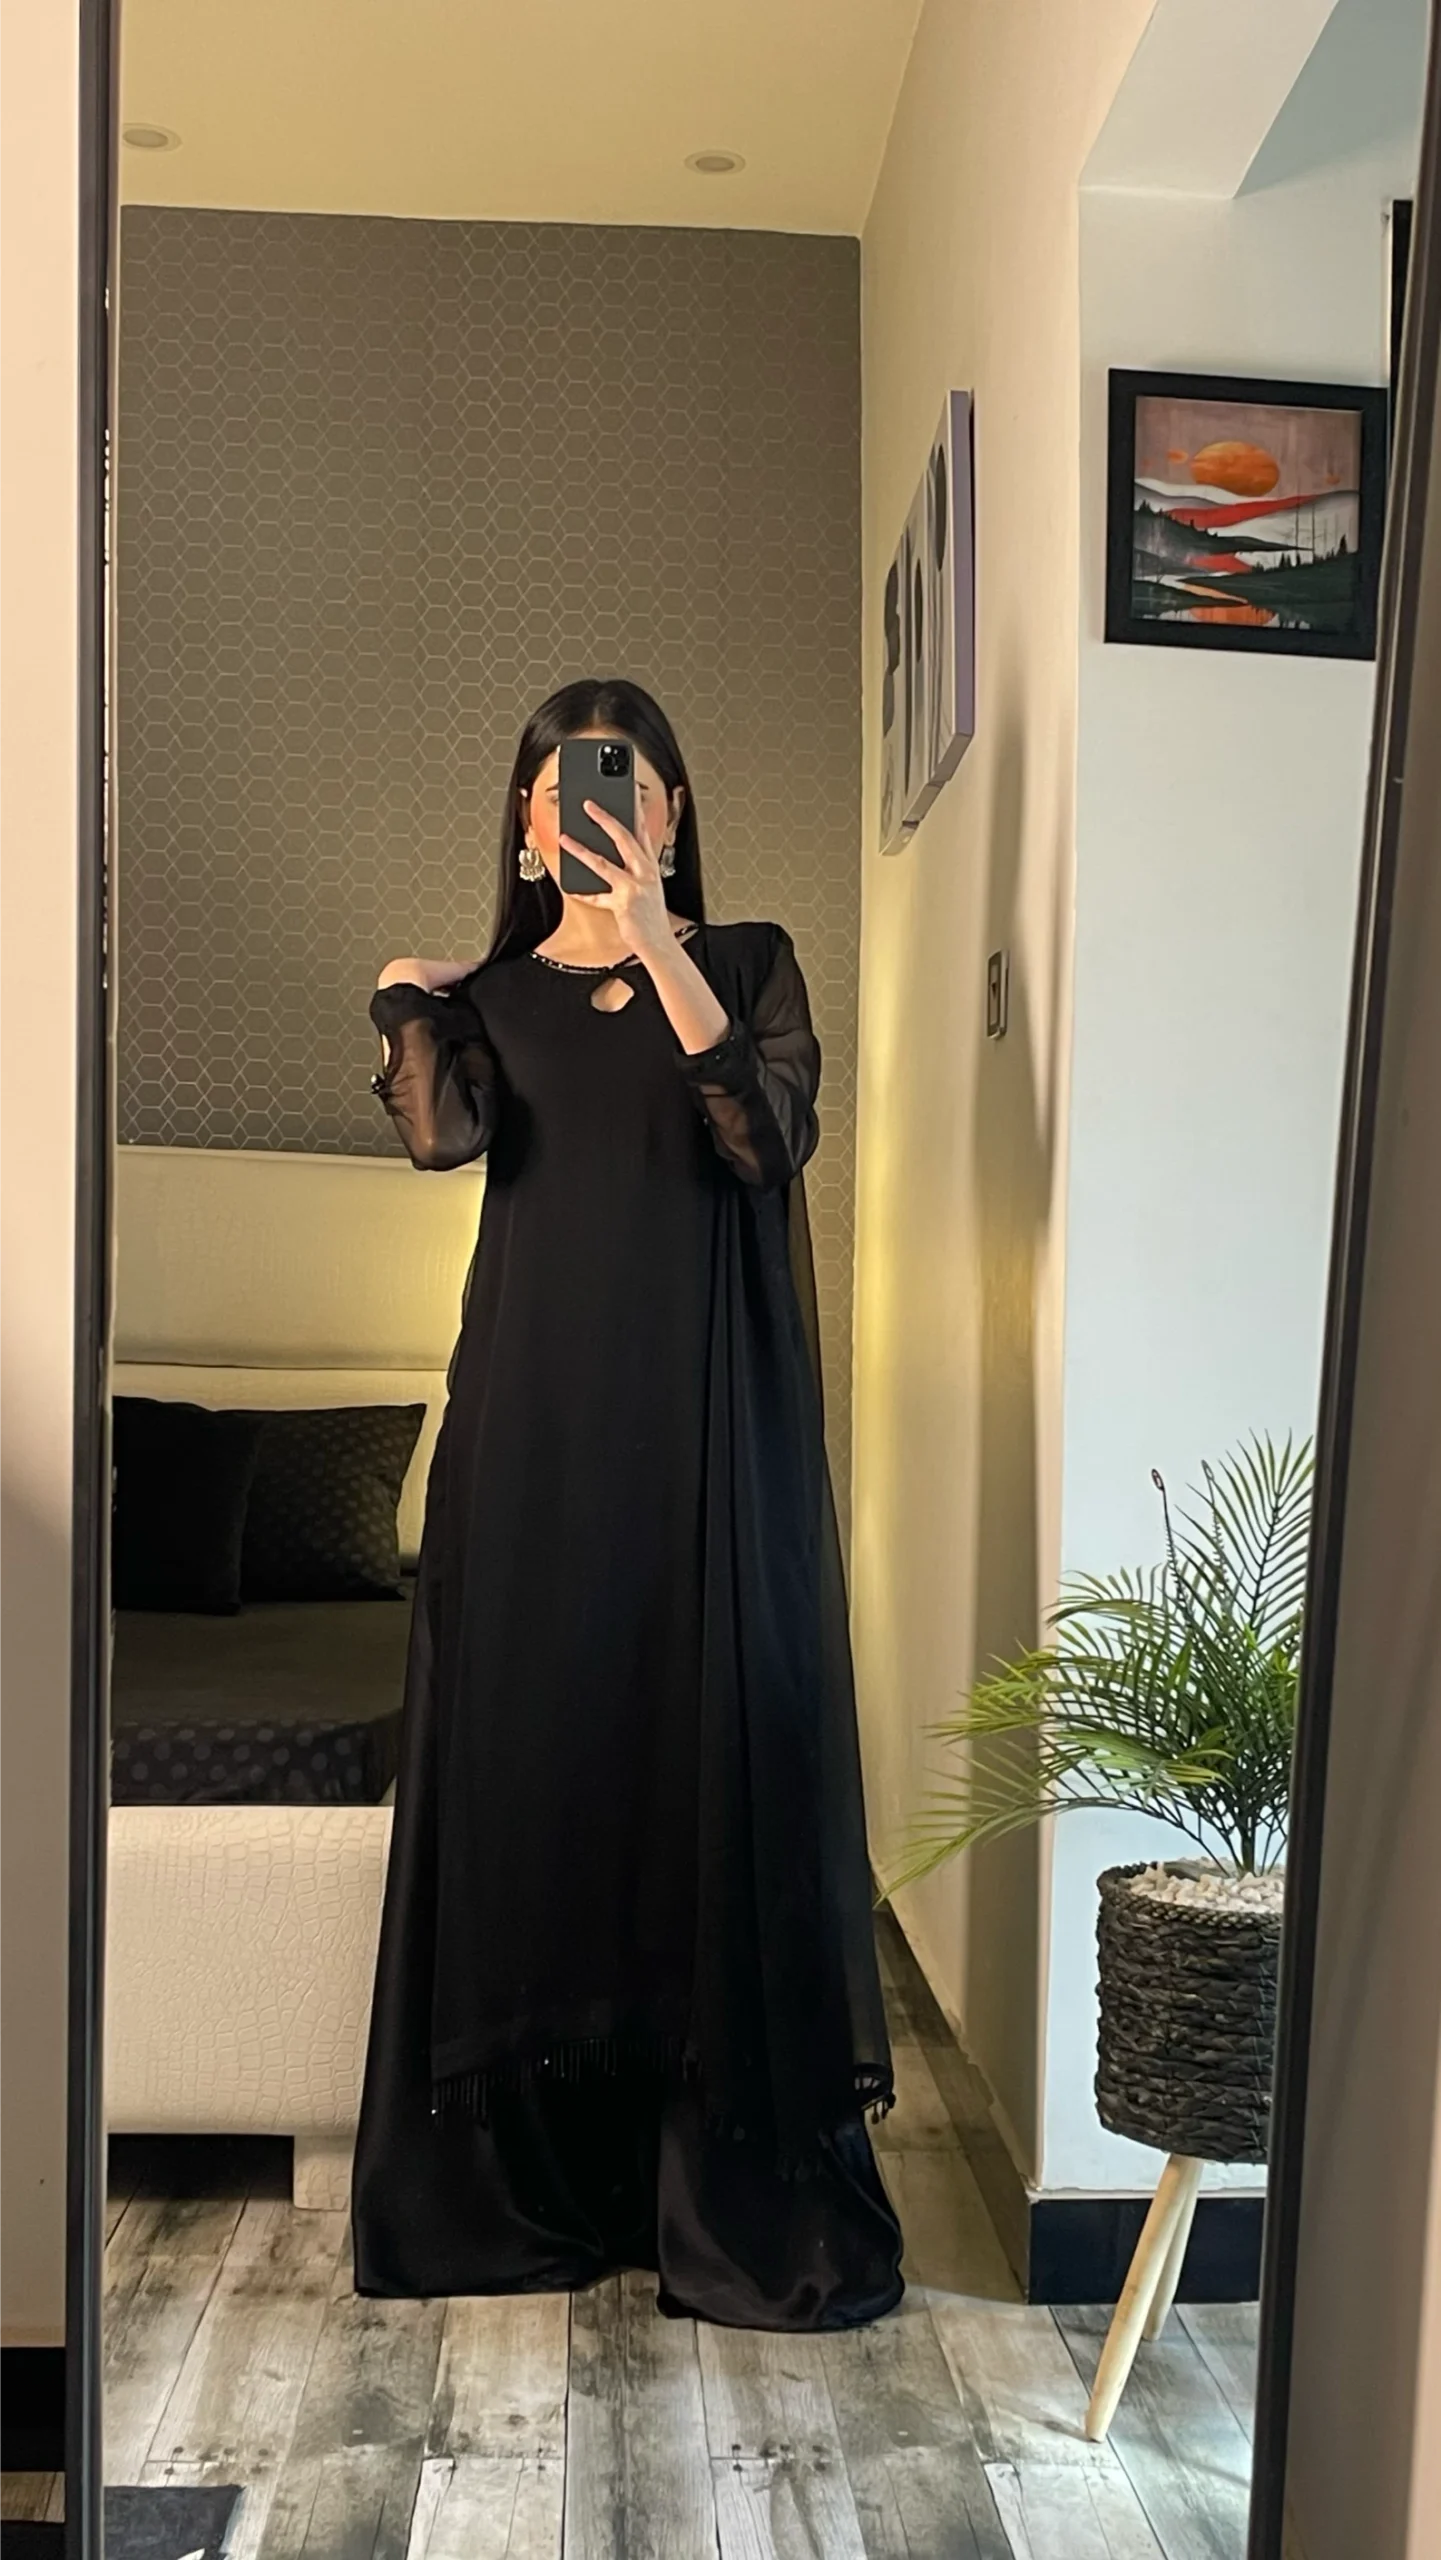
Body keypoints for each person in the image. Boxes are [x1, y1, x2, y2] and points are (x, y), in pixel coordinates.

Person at [351, 675, 904, 2331]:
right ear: (528, 824)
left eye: (630, 783)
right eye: (563, 788)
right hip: (536, 1441)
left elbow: (767, 1135)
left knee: (702, 1772)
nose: (596, 808)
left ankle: (710, 2195)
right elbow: (440, 1139)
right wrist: (409, 1001)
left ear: (672, 812)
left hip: (708, 1444)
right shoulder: (495, 1004)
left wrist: (657, 939)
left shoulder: (747, 963)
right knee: (547, 1778)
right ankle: (538, 2188)